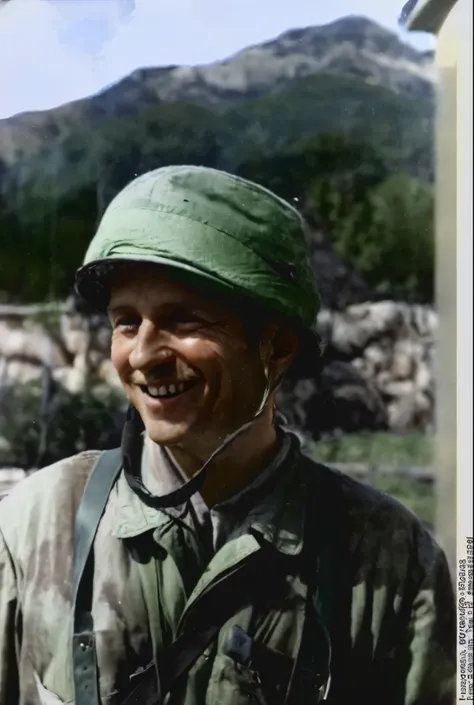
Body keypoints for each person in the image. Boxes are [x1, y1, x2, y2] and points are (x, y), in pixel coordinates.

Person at [0, 166, 456, 705]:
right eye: (126, 322)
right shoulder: (36, 523)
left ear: (276, 348)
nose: (143, 354)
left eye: (183, 320)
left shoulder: (395, 562)